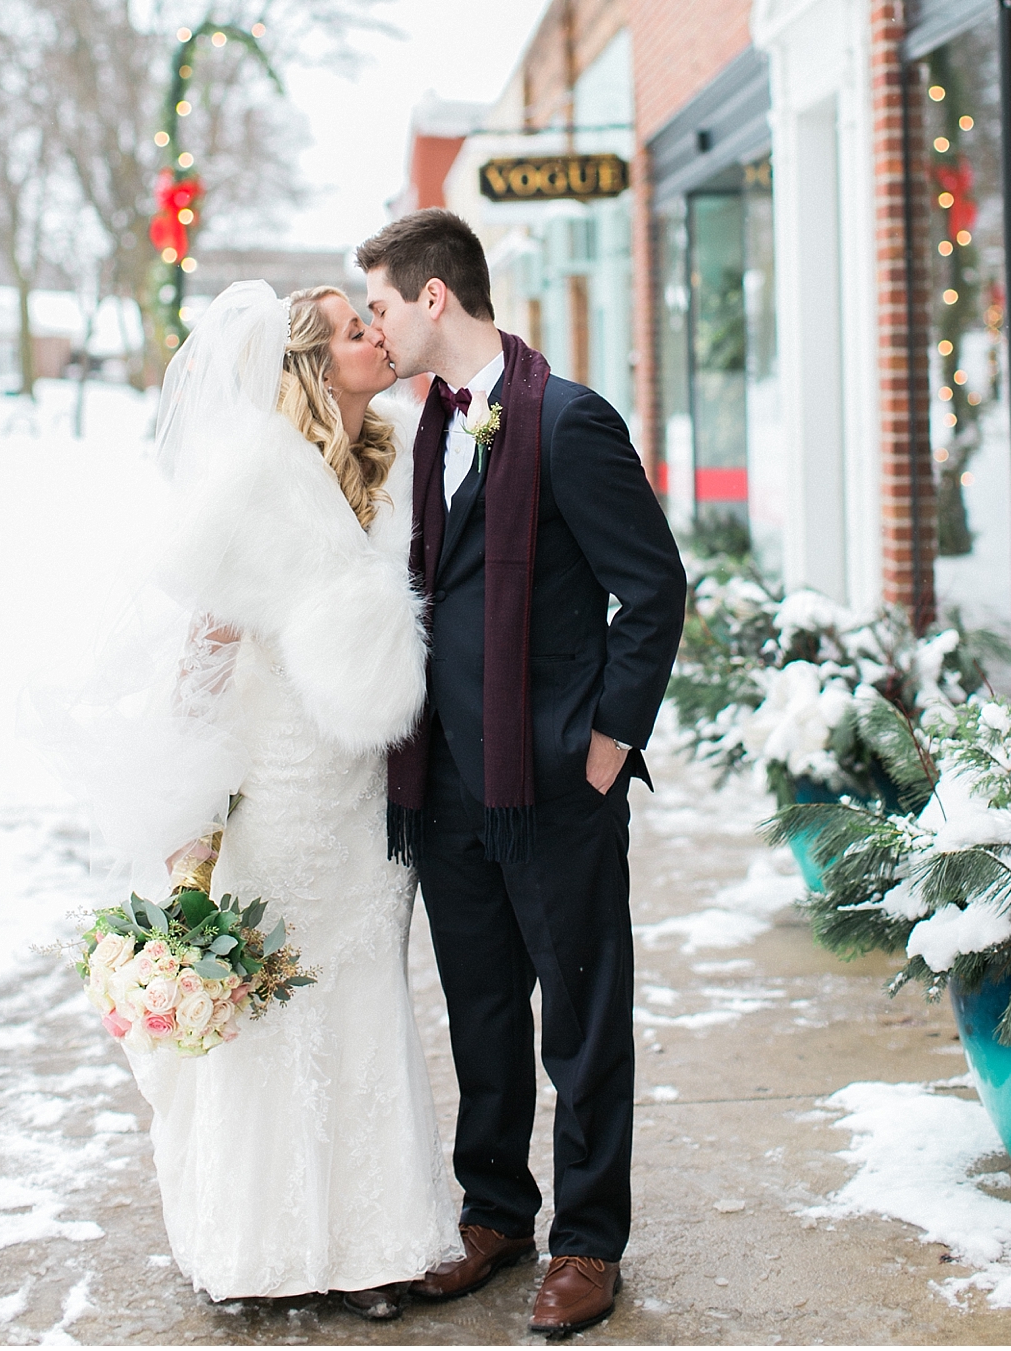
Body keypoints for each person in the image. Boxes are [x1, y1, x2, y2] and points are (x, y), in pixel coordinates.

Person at [80, 281, 460, 1316]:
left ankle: (370, 1245)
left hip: (363, 792)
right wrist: (190, 822)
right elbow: (202, 659)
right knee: (277, 1008)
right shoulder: (256, 483)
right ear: (306, 363)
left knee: (364, 999)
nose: (375, 336)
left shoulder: (388, 463)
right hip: (279, 786)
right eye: (352, 329)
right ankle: (263, 1252)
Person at [358, 209, 687, 1337]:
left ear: (434, 297)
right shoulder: (426, 426)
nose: (376, 327)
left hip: (550, 782)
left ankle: (587, 1240)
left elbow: (652, 589)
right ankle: (493, 1212)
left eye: (382, 305)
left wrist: (605, 742)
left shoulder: (566, 419)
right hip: (446, 780)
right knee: (482, 1010)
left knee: (582, 1018)